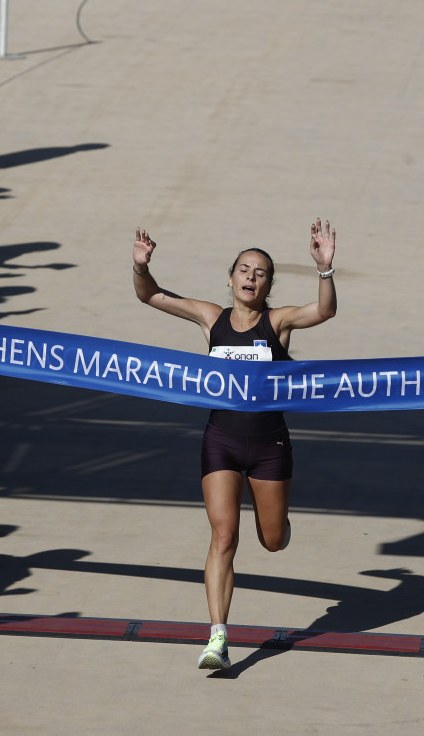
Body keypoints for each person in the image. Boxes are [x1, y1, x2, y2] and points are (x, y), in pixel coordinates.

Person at [131, 220, 337, 669]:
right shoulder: (211, 317)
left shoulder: (278, 323)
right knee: (224, 536)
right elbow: (150, 295)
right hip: (220, 443)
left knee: (272, 540)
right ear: (230, 278)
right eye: (244, 269)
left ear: (267, 284)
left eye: (261, 272)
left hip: (269, 447)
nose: (251, 277)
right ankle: (217, 639)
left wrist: (325, 270)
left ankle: (279, 520)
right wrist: (140, 266)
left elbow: (323, 313)